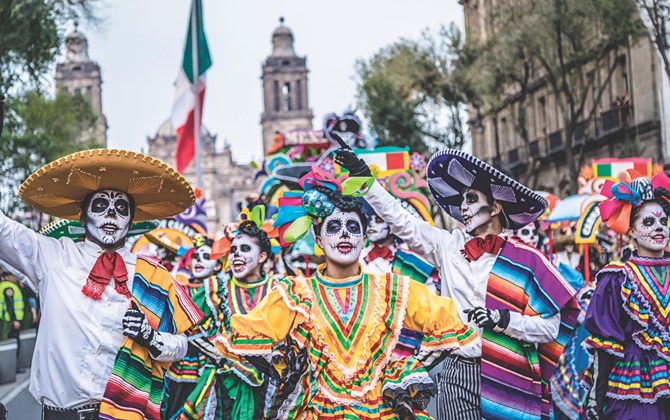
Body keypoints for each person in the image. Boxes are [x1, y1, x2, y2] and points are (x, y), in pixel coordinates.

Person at [335, 148, 579, 420]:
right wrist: (366, 182)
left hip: (509, 373)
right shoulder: (447, 246)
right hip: (457, 370)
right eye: (462, 200)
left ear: (496, 207)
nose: (463, 207)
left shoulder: (527, 260)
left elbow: (550, 328)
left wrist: (504, 321)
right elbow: (401, 220)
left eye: (471, 199)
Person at [213, 167, 476, 419]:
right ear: (318, 239)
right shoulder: (294, 294)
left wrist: (407, 369)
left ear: (364, 239)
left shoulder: (393, 289)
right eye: (334, 227)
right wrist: (292, 371)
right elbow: (247, 337)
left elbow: (450, 326)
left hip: (381, 409)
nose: (344, 235)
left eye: (352, 228)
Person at [0, 149, 203, 420]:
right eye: (100, 206)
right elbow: (5, 232)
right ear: (82, 215)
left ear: (131, 221)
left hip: (124, 413)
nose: (110, 215)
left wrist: (151, 337)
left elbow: (181, 345)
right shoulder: (53, 257)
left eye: (121, 209)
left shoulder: (153, 276)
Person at [583, 172, 670, 419]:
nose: (659, 229)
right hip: (633, 389)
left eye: (663, 222)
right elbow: (605, 346)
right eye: (649, 223)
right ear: (631, 230)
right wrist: (595, 400)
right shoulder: (617, 278)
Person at [0, 271, 24, 373]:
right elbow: (10, 304)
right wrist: (15, 320)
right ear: (8, 277)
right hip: (9, 322)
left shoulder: (3, 286)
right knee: (14, 344)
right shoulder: (9, 287)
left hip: (5, 320)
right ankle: (13, 368)